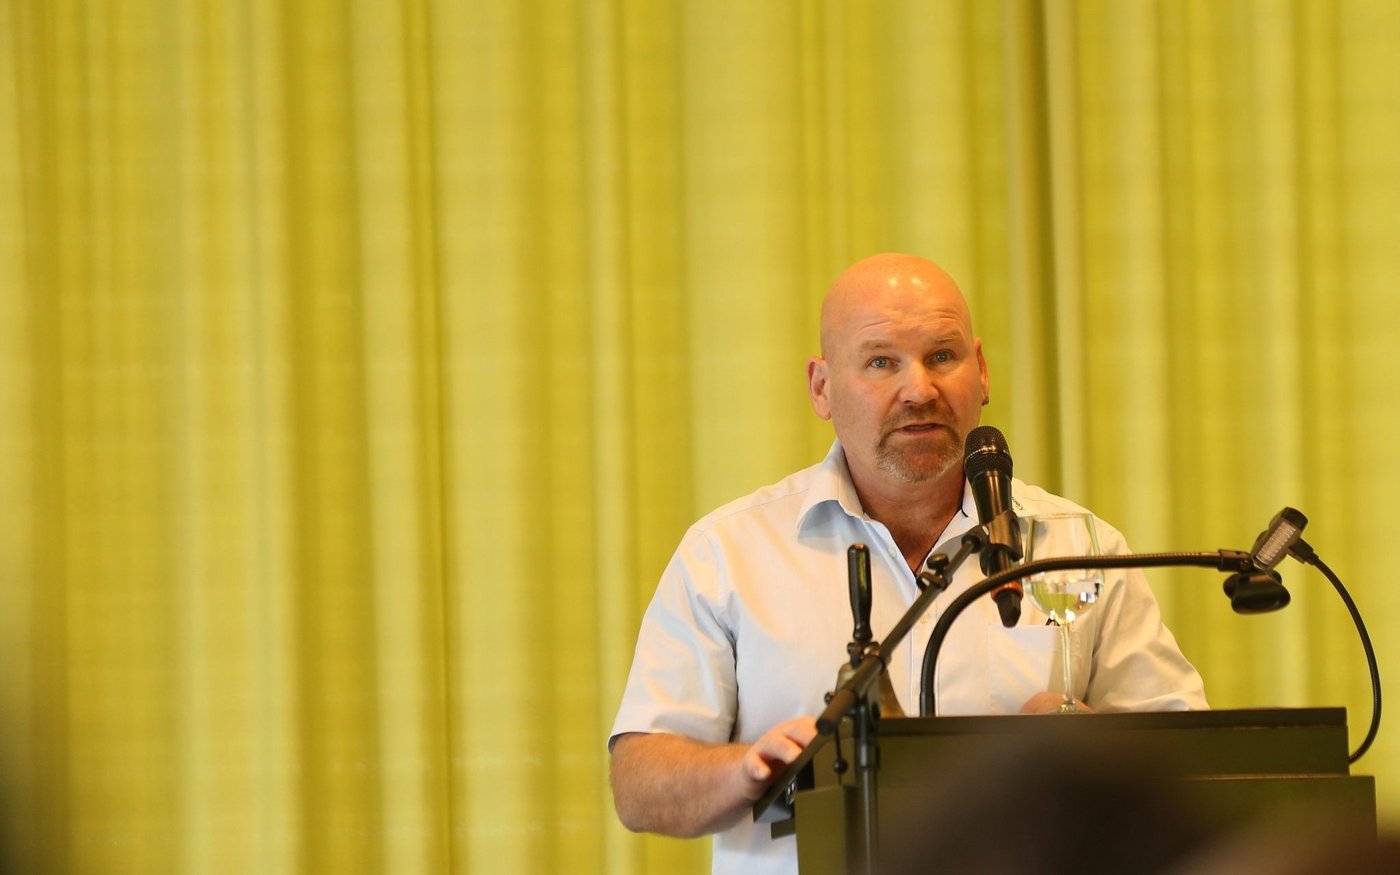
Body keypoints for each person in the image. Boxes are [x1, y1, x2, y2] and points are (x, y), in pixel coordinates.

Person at [608, 253, 1207, 874]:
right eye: (881, 362)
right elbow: (638, 784)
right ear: (821, 388)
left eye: (942, 356)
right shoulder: (729, 553)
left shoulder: (1077, 546)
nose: (919, 390)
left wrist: (1089, 752)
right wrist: (746, 768)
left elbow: (1197, 774)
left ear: (982, 372)